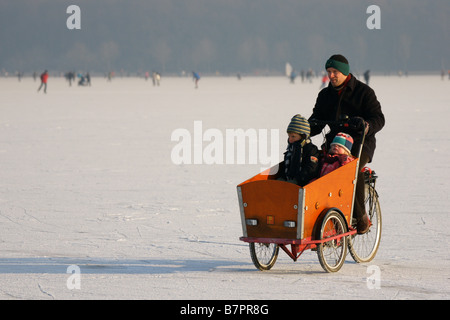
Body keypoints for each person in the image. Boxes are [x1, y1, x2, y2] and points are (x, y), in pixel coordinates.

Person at [308, 54, 385, 234]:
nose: (331, 75)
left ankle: (360, 217)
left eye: (335, 71)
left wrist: (366, 126)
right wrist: (305, 129)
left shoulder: (364, 92)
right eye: (329, 72)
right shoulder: (325, 95)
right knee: (315, 167)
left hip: (360, 144)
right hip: (335, 144)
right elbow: (316, 119)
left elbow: (379, 118)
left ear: (344, 72)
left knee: (351, 169)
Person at [278, 114, 320, 186]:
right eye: (289, 136)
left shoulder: (311, 150)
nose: (290, 139)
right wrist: (282, 178)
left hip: (304, 184)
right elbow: (285, 166)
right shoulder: (291, 150)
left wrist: (297, 180)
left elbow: (311, 169)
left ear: (303, 136)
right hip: (289, 181)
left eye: (293, 136)